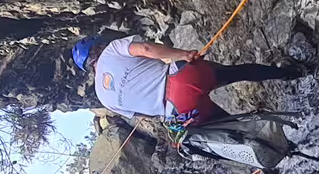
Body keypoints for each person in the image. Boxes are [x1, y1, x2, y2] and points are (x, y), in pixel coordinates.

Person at [72, 35, 306, 128]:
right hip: (184, 78)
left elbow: (145, 115)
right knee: (237, 72)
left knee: (230, 127)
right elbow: (145, 49)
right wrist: (182, 54)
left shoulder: (104, 98)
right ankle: (289, 72)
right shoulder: (113, 50)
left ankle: (274, 143)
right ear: (98, 47)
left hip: (178, 112)